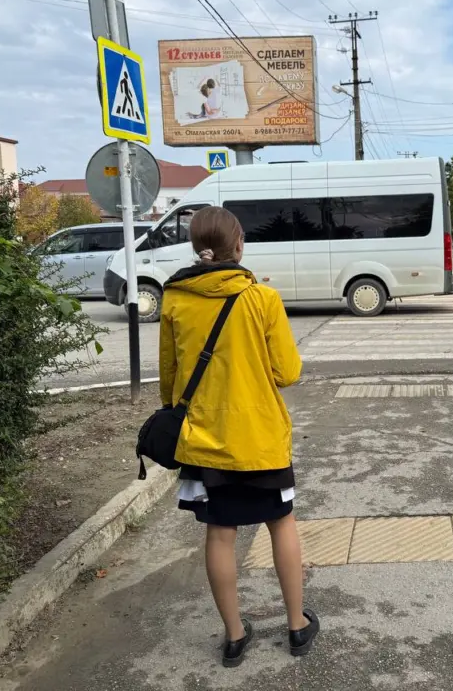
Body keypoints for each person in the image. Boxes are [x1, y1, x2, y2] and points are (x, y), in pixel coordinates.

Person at [158, 206, 319, 668]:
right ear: (240, 243)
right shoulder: (262, 298)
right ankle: (296, 626)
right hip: (260, 437)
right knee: (281, 523)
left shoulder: (175, 299)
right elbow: (287, 372)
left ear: (197, 248)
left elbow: (170, 378)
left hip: (205, 438)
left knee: (220, 532)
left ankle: (233, 636)